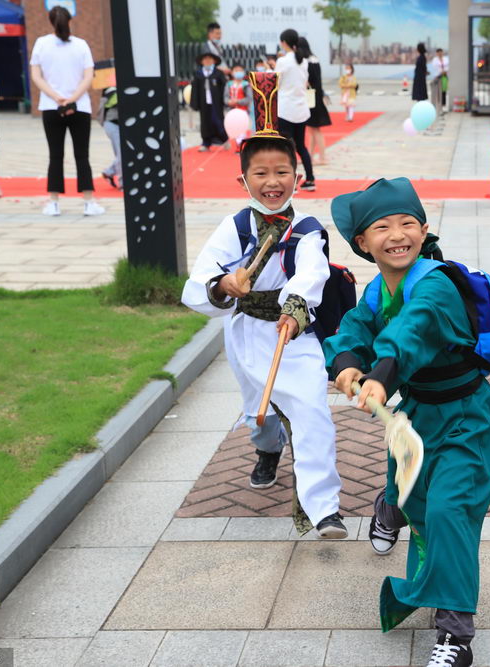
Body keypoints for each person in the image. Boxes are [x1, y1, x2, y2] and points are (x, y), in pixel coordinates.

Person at [323, 177, 490, 667]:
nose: (397, 234)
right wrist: (346, 366)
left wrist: (381, 376)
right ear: (363, 243)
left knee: (449, 512)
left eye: (408, 223)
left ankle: (455, 634)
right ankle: (392, 506)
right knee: (416, 500)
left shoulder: (436, 284)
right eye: (382, 227)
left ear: (424, 231)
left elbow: (411, 330)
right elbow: (352, 330)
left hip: (467, 416)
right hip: (417, 415)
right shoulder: (377, 289)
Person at [181, 71, 346, 539]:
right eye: (261, 173)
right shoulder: (234, 227)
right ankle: (268, 449)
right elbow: (198, 282)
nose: (273, 182)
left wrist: (296, 308)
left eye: (281, 172)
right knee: (261, 413)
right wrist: (222, 284)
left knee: (312, 411)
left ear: (297, 175)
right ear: (243, 179)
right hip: (246, 335)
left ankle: (323, 508)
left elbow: (311, 272)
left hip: (293, 334)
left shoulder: (307, 228)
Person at [29, 6, 104, 217]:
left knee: (55, 155)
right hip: (79, 106)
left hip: (51, 106)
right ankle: (88, 202)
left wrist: (56, 97)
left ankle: (54, 202)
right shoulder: (81, 45)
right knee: (82, 155)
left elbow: (36, 76)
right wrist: (72, 98)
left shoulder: (41, 44)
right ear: (70, 21)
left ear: (50, 21)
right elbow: (88, 77)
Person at [275, 29, 316, 192]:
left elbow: (275, 83)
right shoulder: (303, 61)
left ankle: (291, 184)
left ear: (284, 42)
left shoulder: (283, 61)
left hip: (286, 110)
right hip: (301, 109)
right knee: (301, 146)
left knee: (287, 148)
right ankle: (310, 179)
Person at [299, 37, 331, 166]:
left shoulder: (305, 62)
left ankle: (322, 157)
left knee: (315, 130)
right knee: (312, 130)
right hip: (315, 97)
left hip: (310, 98)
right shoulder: (314, 59)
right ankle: (310, 156)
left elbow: (307, 81)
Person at [190, 51, 228, 152]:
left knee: (219, 121)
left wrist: (225, 100)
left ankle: (224, 140)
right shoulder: (198, 74)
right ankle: (206, 143)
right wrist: (194, 103)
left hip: (216, 103)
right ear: (201, 62)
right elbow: (194, 89)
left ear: (214, 61)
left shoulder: (218, 73)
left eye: (210, 59)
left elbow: (224, 88)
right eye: (205, 59)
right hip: (204, 103)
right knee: (205, 122)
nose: (207, 61)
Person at [96, 85, 122, 189]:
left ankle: (109, 172)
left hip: (118, 126)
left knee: (122, 154)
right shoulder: (112, 90)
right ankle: (123, 183)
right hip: (112, 125)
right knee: (122, 154)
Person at [224, 62, 253, 145]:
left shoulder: (246, 85)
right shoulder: (229, 84)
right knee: (234, 128)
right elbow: (225, 97)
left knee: (242, 130)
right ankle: (237, 144)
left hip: (243, 111)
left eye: (240, 70)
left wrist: (238, 101)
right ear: (232, 72)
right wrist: (228, 102)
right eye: (236, 70)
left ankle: (241, 145)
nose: (238, 72)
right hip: (231, 111)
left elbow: (249, 98)